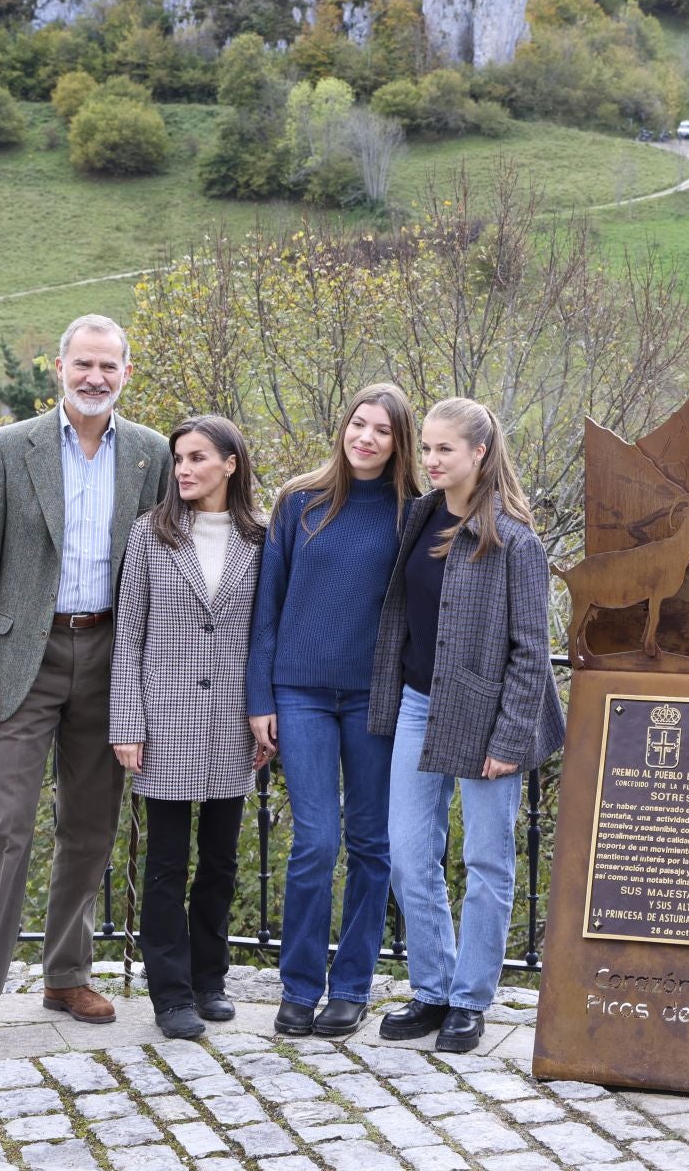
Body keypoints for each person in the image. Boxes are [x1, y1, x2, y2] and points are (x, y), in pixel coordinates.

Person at [0, 314, 172, 1059]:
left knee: (91, 824)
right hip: (24, 662)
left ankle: (66, 973)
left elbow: (165, 566)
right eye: (84, 364)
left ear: (127, 373)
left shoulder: (150, 454)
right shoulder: (11, 449)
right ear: (60, 367)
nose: (96, 378)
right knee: (4, 826)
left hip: (110, 656)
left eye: (109, 366)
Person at [367, 397, 565, 1053]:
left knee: (487, 859)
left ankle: (470, 1002)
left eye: (443, 449)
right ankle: (432, 988)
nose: (429, 460)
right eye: (425, 448)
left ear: (479, 453)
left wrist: (510, 740)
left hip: (488, 718)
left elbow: (533, 652)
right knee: (408, 851)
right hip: (420, 706)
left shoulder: (515, 540)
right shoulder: (419, 519)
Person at [246, 384, 420, 1040]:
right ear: (342, 427)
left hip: (376, 699)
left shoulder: (414, 514)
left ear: (399, 442)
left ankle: (350, 988)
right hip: (302, 693)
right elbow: (268, 606)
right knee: (315, 842)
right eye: (358, 424)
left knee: (371, 844)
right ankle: (298, 987)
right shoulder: (300, 502)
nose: (366, 437)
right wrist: (259, 698)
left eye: (381, 430)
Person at [109, 416, 267, 1039]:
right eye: (179, 458)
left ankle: (211, 980)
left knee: (221, 863)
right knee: (166, 864)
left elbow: (266, 634)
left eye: (197, 457)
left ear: (230, 464)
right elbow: (129, 636)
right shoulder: (151, 534)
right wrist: (127, 720)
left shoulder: (260, 538)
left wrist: (263, 714)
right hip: (163, 718)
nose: (183, 469)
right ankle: (169, 994)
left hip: (232, 719)